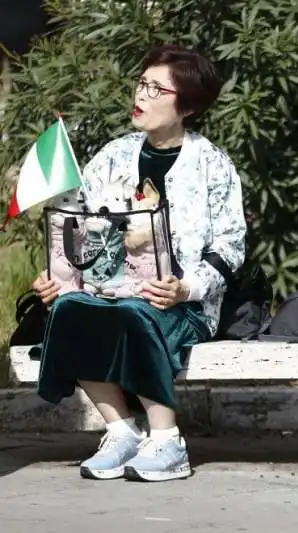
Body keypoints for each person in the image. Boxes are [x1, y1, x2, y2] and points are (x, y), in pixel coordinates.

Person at [31, 44, 246, 482]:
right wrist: (58, 276)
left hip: (181, 302)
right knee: (69, 309)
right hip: (106, 289)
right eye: (141, 83)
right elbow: (76, 221)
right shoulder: (113, 155)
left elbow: (231, 246)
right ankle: (122, 430)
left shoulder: (212, 164)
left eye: (155, 87)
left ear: (185, 104)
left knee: (137, 311)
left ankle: (168, 441)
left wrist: (187, 287)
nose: (141, 95)